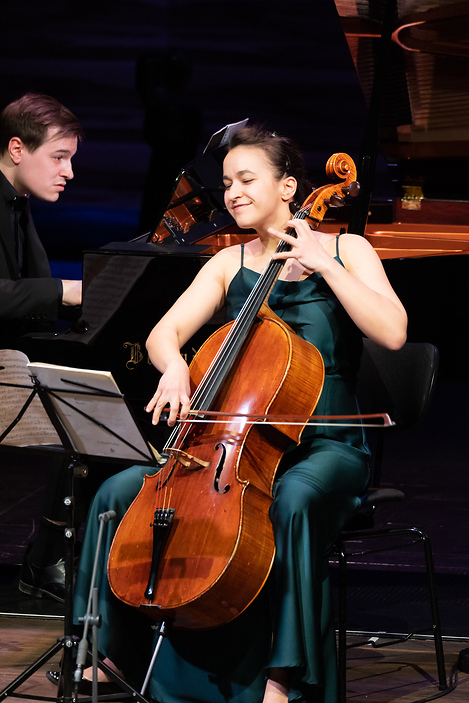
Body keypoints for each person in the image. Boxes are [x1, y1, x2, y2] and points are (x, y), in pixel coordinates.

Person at [66, 125, 407, 702]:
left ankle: (285, 674)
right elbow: (163, 334)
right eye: (227, 183)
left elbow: (394, 333)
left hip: (326, 446)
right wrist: (175, 367)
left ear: (289, 187)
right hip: (234, 446)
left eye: (247, 180)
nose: (232, 193)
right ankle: (104, 650)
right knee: (117, 491)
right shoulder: (229, 261)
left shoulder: (348, 250)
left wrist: (324, 265)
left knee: (293, 500)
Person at [0, 93, 83, 601]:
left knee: (93, 412)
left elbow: (30, 296)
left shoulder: (16, 202)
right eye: (59, 157)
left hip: (11, 355)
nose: (68, 171)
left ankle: (47, 556)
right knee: (87, 423)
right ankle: (46, 558)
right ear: (17, 149)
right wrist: (67, 291)